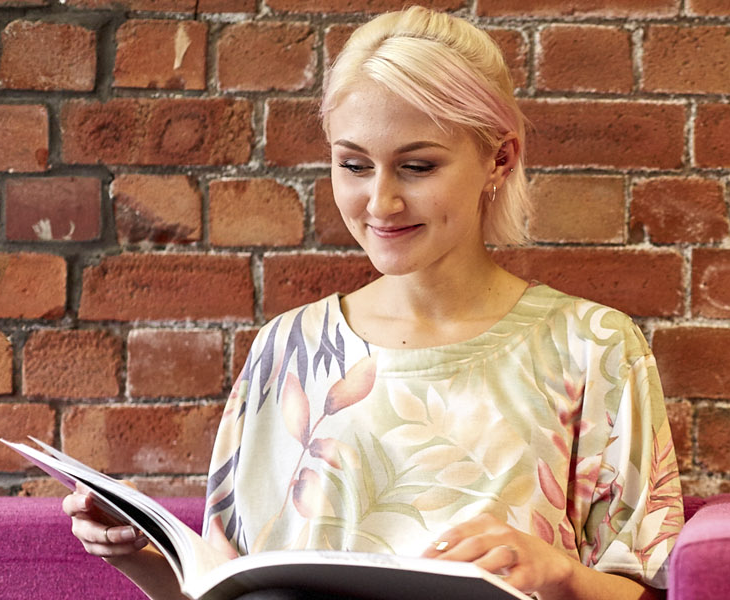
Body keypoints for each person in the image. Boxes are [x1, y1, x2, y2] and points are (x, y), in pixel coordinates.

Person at [61, 7, 684, 600]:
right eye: (354, 165)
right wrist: (133, 556)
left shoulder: (594, 346)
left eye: (416, 167)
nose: (379, 204)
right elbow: (229, 585)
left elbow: (647, 586)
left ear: (501, 158)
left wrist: (560, 575)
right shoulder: (289, 349)